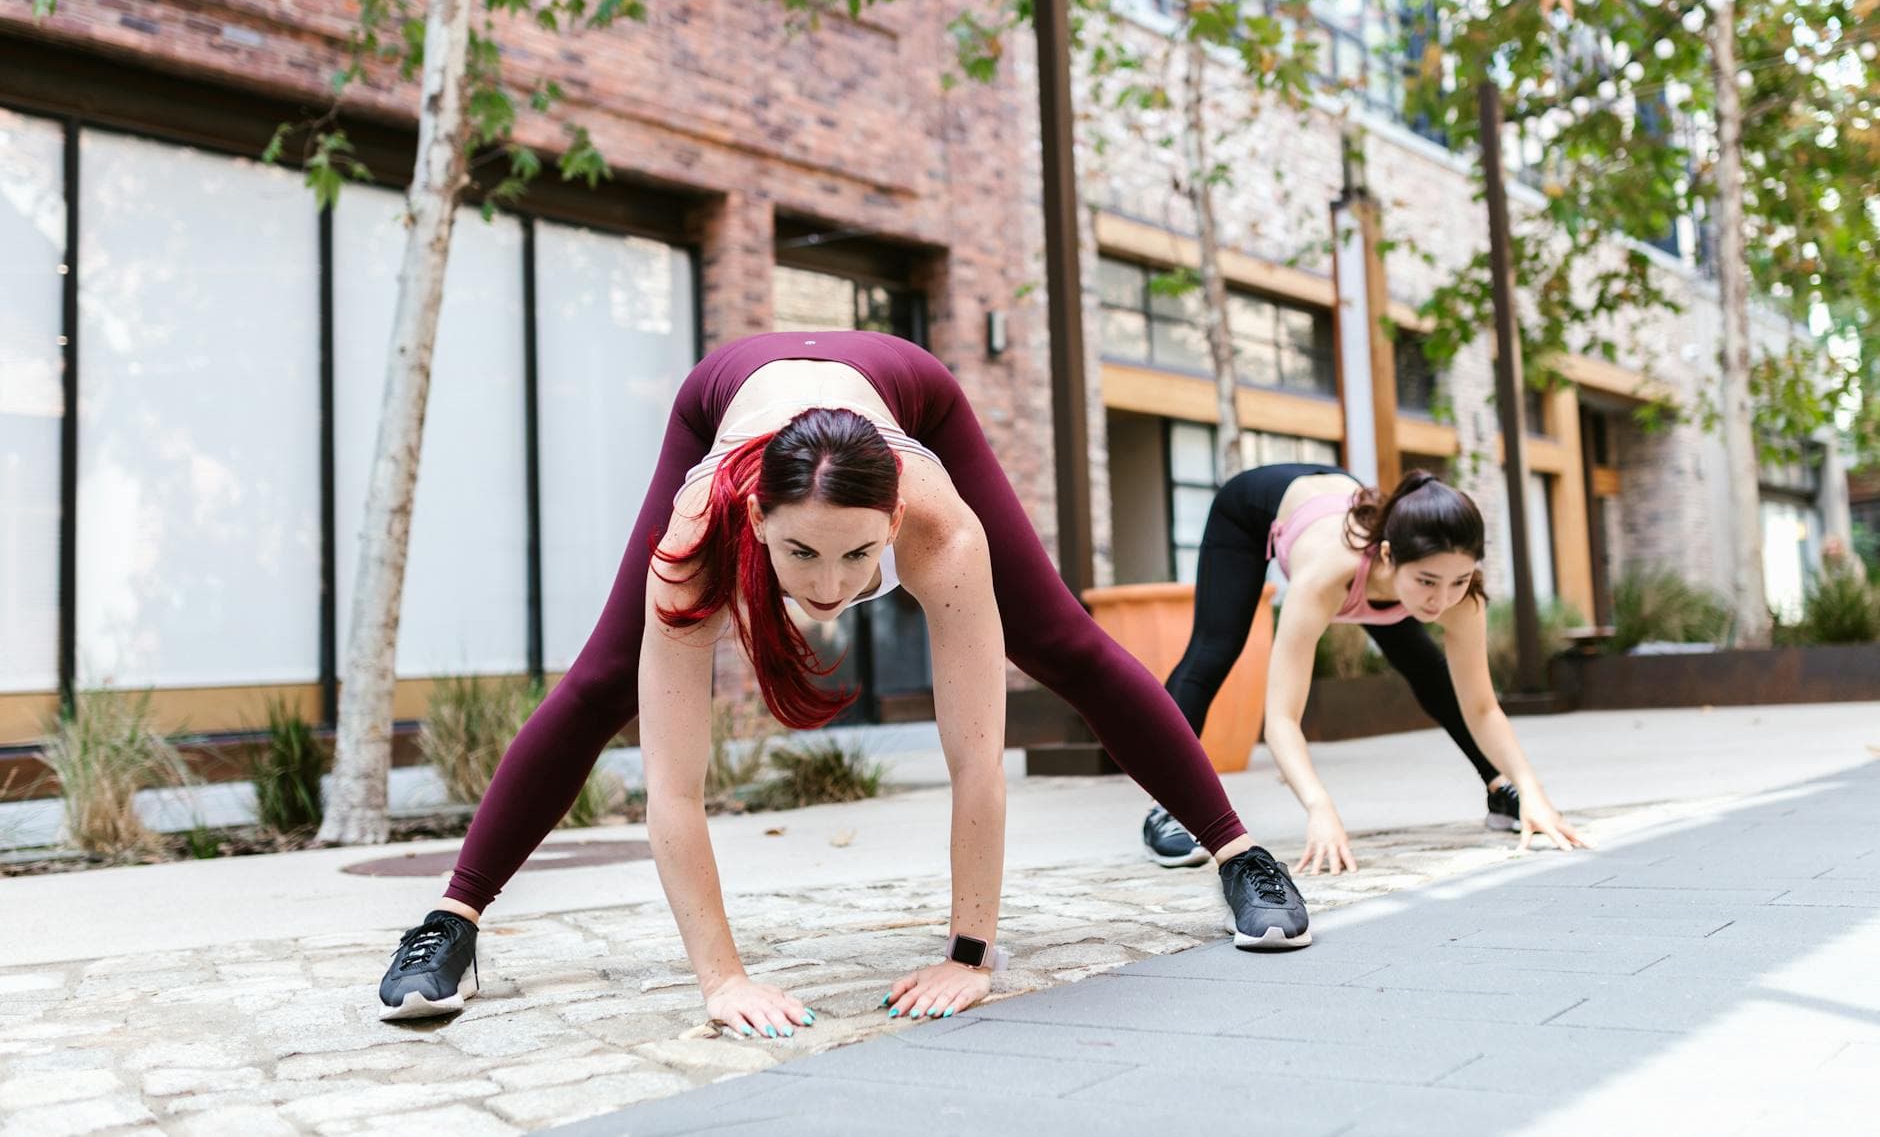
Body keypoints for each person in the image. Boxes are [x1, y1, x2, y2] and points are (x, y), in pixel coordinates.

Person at [378, 331, 1312, 1030]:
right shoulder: (698, 532)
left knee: (1060, 638)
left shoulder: (942, 526)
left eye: (860, 553)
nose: (831, 591)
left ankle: (1239, 854)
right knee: (601, 679)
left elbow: (977, 758)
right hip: (728, 390)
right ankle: (451, 918)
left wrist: (970, 954)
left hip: (906, 388)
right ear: (754, 515)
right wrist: (722, 979)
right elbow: (674, 787)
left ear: (896, 514)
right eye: (801, 555)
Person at [1139, 464, 1589, 875]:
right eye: (1427, 582)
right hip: (1250, 508)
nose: (1440, 600)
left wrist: (1531, 787)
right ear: (1389, 556)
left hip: (1339, 502)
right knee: (1215, 651)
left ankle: (1498, 788)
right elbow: (1281, 719)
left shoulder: (1458, 596)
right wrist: (1319, 805)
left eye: (1458, 580)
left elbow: (1483, 707)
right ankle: (1166, 806)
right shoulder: (1326, 576)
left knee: (1425, 664)